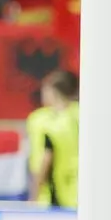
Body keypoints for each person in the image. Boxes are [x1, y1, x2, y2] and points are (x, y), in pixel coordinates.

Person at [26, 70, 79, 208]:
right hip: (80, 189)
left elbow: (46, 158)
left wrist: (34, 195)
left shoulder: (45, 123)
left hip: (54, 193)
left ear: (53, 91)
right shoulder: (82, 115)